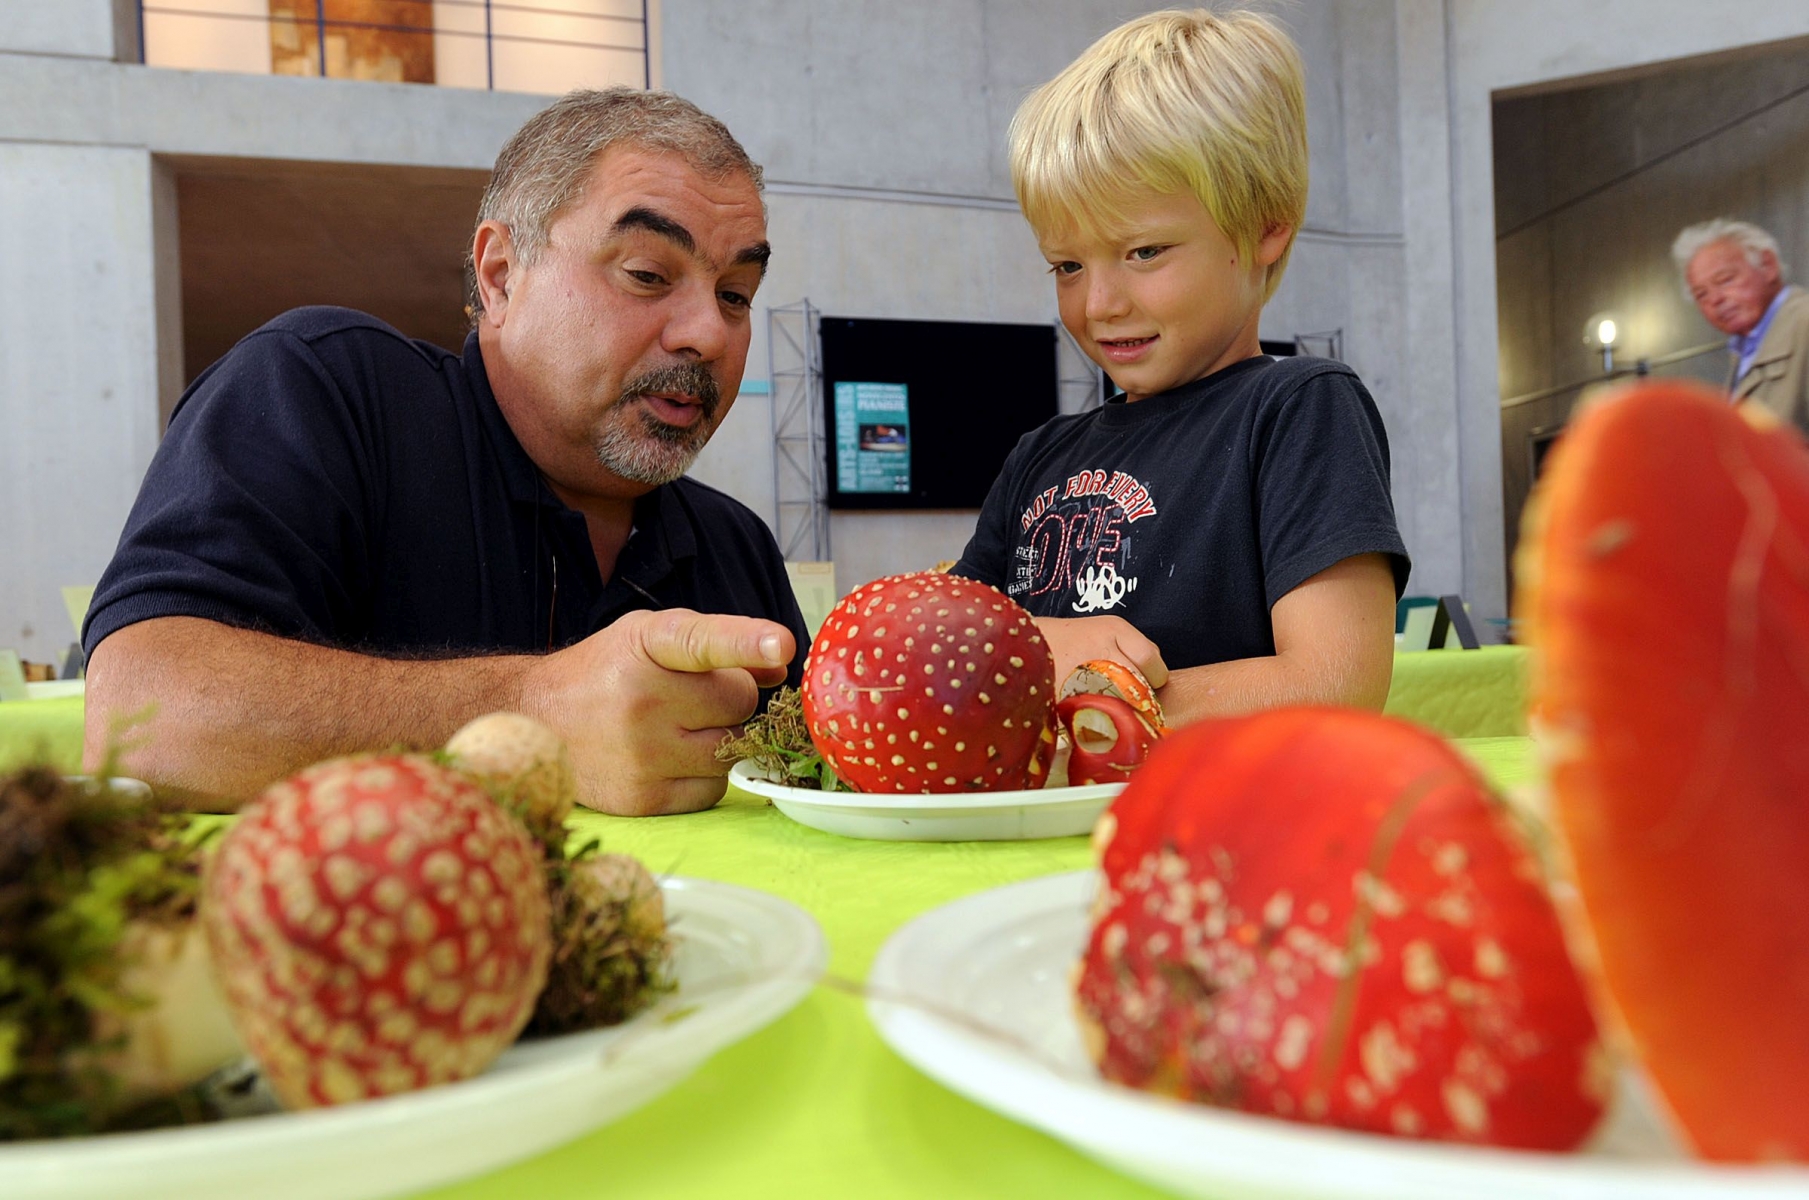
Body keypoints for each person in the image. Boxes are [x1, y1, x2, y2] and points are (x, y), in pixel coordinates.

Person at [81, 88, 807, 816]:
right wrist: (536, 710)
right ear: (499, 275)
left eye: (735, 295)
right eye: (647, 274)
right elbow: (143, 719)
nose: (708, 335)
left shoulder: (734, 545)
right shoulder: (328, 391)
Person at [951, 9, 1409, 725]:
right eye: (1067, 265)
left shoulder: (1299, 407)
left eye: (1143, 253)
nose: (1098, 303)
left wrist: (1091, 693)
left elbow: (1335, 684)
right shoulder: (1037, 457)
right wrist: (1034, 648)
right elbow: (942, 643)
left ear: (1265, 224)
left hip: (1224, 825)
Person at [1673, 218, 1809, 434]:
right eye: (1701, 294)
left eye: (1726, 280)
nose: (1715, 299)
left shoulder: (1804, 323)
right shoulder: (1744, 350)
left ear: (1768, 265)